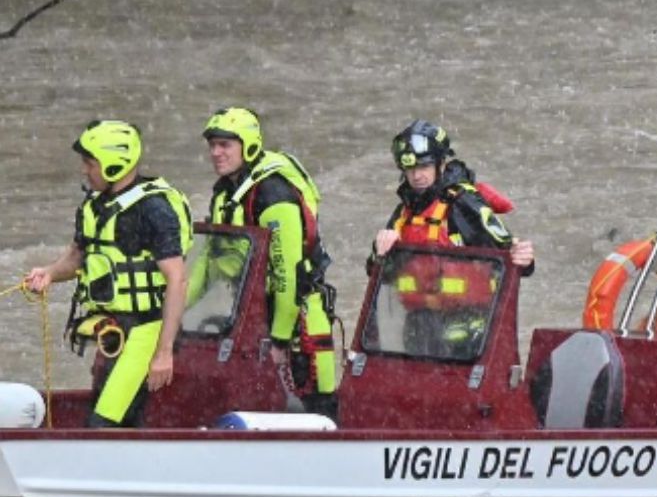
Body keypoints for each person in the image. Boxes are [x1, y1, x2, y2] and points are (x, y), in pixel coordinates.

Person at [25, 120, 192, 427]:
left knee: (103, 424)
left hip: (146, 333)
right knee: (121, 416)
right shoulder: (94, 206)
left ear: (115, 164)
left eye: (90, 163)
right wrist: (49, 273)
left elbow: (177, 280)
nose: (84, 170)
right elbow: (76, 258)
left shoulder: (153, 209)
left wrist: (164, 353)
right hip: (113, 332)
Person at [191, 107, 337, 418]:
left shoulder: (273, 196)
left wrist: (280, 342)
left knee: (313, 413)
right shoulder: (225, 194)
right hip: (251, 320)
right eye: (212, 145)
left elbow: (288, 276)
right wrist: (172, 314)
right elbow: (206, 266)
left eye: (225, 145)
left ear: (249, 145)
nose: (215, 153)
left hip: (298, 328)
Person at [371, 120, 535, 356]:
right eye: (410, 169)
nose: (417, 176)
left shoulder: (463, 204)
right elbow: (381, 274)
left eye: (424, 166)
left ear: (441, 163)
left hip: (467, 328)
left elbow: (510, 258)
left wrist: (523, 257)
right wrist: (380, 251)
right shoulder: (403, 214)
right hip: (419, 327)